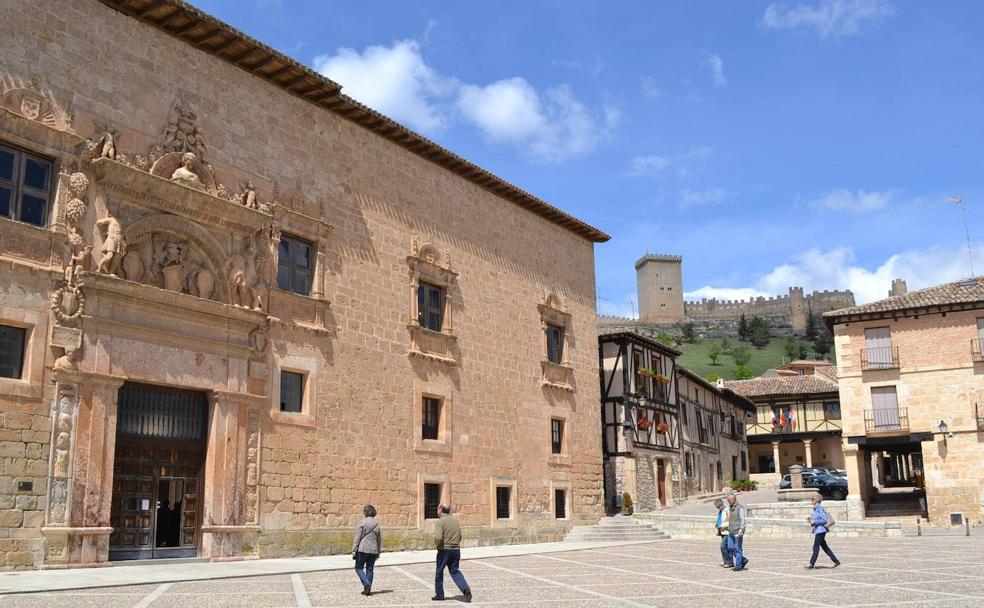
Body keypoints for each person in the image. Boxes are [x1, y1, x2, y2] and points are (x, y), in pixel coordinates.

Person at [433, 503, 472, 602]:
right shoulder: (455, 521)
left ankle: (439, 595)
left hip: (444, 550)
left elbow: (438, 538)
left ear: (440, 509)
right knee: (455, 571)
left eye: (438, 508)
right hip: (456, 550)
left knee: (439, 572)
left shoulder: (440, 522)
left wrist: (438, 546)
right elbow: (460, 536)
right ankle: (465, 589)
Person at [352, 504, 382, 596]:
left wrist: (354, 550)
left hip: (363, 549)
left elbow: (357, 537)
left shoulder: (362, 522)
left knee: (358, 568)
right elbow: (379, 540)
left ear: (365, 512)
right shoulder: (377, 524)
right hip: (373, 550)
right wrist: (378, 552)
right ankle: (367, 590)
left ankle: (366, 584)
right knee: (370, 569)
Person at [806, 494, 840, 569]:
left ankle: (811, 563)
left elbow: (824, 520)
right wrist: (810, 521)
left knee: (816, 547)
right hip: (818, 530)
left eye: (812, 499)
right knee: (825, 547)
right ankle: (836, 561)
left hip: (821, 530)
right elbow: (815, 520)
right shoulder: (815, 508)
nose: (811, 500)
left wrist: (814, 522)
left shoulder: (820, 508)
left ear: (816, 500)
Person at [726, 492, 749, 571]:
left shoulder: (740, 508)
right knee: (730, 547)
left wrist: (741, 529)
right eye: (727, 500)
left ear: (733, 499)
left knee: (738, 548)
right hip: (731, 531)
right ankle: (742, 559)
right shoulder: (730, 507)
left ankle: (738, 565)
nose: (728, 502)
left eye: (729, 500)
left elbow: (742, 519)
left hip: (737, 531)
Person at [713, 498, 733, 568]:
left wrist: (721, 525)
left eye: (718, 506)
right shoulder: (721, 511)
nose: (717, 508)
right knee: (727, 547)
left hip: (727, 531)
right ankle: (729, 562)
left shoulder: (727, 511)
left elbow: (730, 522)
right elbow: (720, 519)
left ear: (721, 505)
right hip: (722, 531)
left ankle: (728, 562)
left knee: (723, 546)